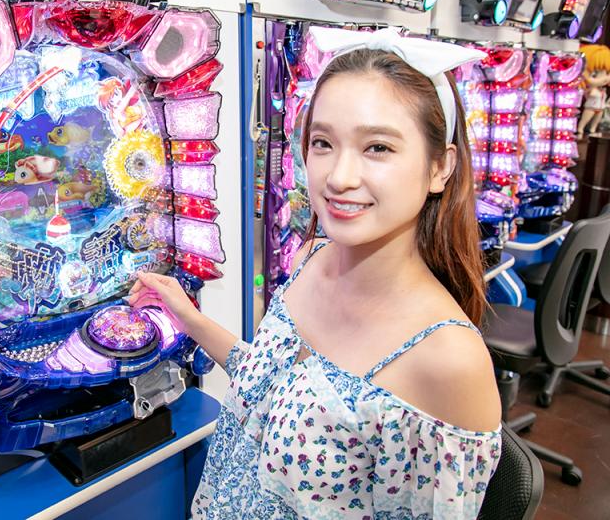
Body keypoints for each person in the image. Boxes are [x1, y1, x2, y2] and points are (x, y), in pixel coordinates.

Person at [128, 27, 502, 519]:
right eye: (323, 142)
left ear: (440, 167)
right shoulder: (310, 258)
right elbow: (277, 386)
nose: (339, 177)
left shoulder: (448, 358)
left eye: (378, 148)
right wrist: (188, 318)